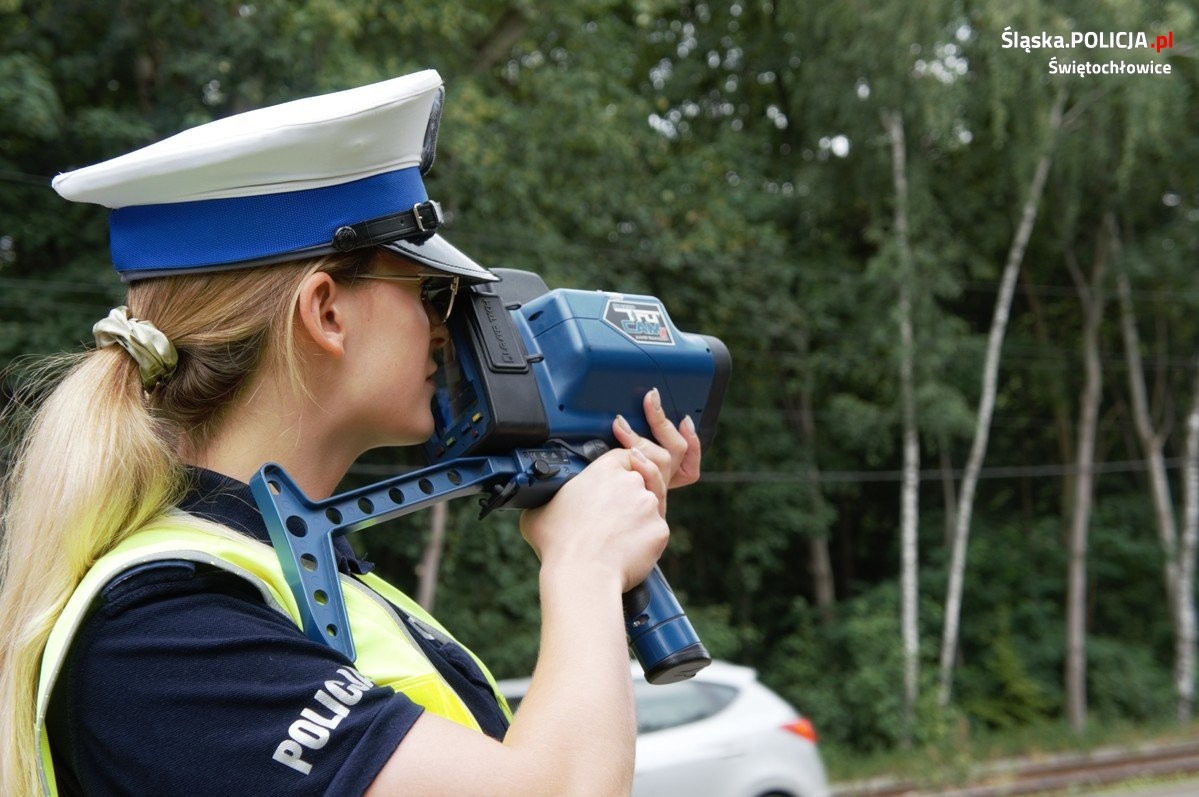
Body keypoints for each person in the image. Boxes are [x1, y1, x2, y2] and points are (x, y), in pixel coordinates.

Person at [0, 69, 702, 796]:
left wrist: (598, 531)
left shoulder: (305, 586)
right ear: (327, 312)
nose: (441, 326)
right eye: (430, 290)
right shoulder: (162, 635)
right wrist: (583, 567)